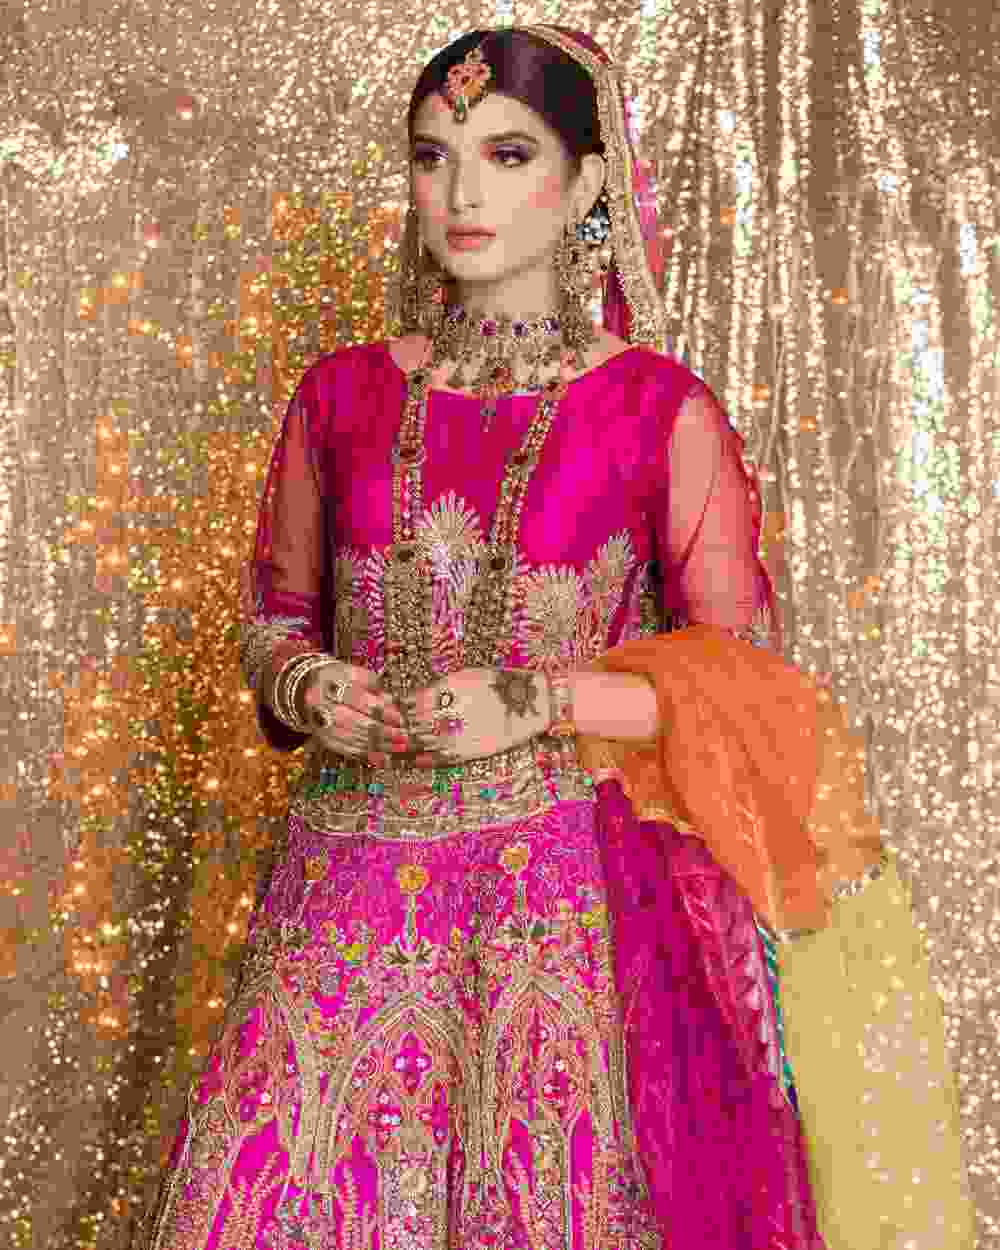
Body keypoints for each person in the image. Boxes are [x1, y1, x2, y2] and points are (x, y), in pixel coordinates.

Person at [135, 25, 973, 1250]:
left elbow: (741, 685)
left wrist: (536, 699)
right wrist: (309, 684)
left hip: (559, 901)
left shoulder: (657, 409)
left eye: (507, 153)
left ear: (585, 186)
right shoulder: (341, 394)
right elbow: (276, 616)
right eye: (433, 156)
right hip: (342, 889)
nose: (462, 193)